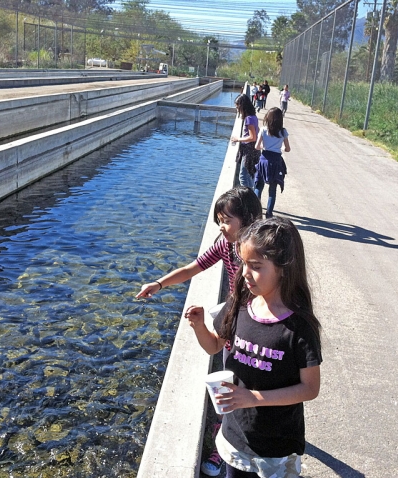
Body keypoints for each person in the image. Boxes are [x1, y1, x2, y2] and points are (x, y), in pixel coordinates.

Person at [136, 186, 262, 478]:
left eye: (227, 219)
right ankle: (225, 442)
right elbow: (194, 267)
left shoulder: (261, 251)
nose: (221, 225)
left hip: (257, 320)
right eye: (219, 218)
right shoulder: (224, 244)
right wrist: (158, 283)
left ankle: (244, 441)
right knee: (229, 373)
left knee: (248, 378)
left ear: (249, 219)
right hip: (235, 313)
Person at [185, 217, 322, 478]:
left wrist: (252, 397)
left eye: (256, 266)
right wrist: (200, 327)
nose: (245, 273)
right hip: (235, 435)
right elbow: (214, 346)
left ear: (283, 268)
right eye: (244, 264)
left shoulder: (299, 327)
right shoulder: (239, 306)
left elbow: (310, 388)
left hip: (275, 443)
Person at [254, 107, 290, 218]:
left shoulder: (264, 130)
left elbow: (256, 147)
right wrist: (282, 148)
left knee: (259, 186)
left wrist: (263, 146)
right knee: (272, 190)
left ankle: (256, 211)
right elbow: (288, 149)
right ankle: (269, 214)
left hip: (264, 160)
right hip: (276, 161)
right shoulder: (283, 132)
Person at [231, 95, 261, 189]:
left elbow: (252, 137)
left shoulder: (248, 119)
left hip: (249, 150)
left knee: (243, 176)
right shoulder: (253, 117)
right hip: (253, 149)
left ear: (242, 106)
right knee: (249, 176)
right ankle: (251, 196)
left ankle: (248, 198)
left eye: (237, 107)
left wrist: (238, 139)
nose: (237, 109)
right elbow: (257, 131)